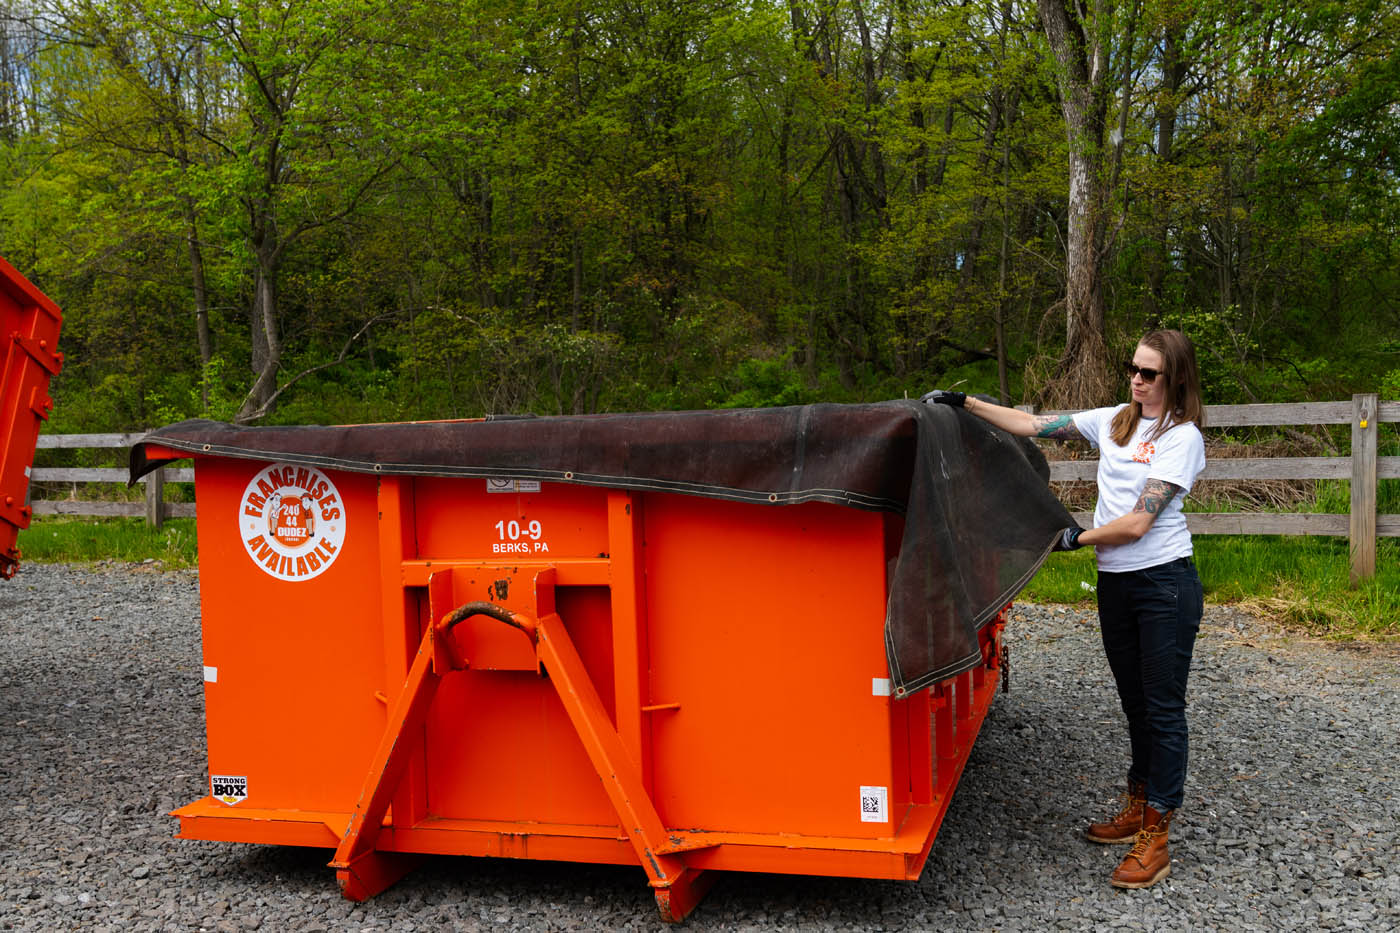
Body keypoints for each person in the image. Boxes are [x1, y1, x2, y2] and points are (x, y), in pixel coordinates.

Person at [925, 329, 1206, 890]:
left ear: (1174, 380)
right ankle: (1137, 802)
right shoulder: (1115, 420)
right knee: (1134, 702)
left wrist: (1074, 539)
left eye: (1148, 373)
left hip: (1164, 584)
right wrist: (966, 405)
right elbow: (1034, 425)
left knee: (1162, 707)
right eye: (1133, 368)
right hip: (1117, 585)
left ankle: (1158, 834)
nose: (1136, 379)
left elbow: (1137, 524)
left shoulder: (1182, 437)